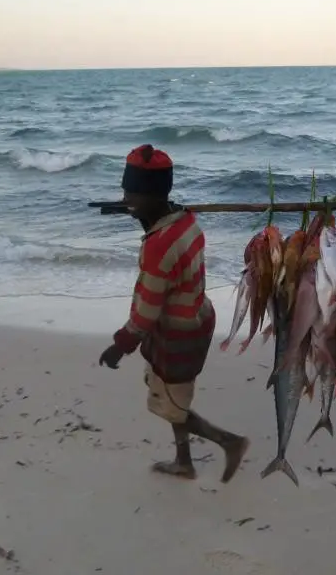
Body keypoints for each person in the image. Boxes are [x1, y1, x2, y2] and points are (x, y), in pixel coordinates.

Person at [98, 144, 250, 483]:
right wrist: (145, 216)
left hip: (176, 331)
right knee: (170, 397)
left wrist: (120, 345)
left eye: (131, 194)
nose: (125, 200)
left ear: (151, 196)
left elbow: (147, 310)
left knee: (170, 404)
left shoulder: (159, 244)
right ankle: (184, 461)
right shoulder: (185, 222)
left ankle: (230, 442)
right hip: (194, 316)